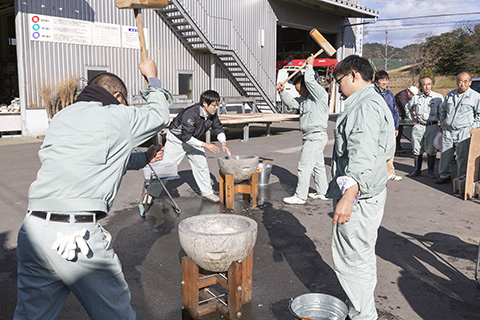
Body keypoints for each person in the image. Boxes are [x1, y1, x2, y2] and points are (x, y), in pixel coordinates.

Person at [14, 58, 172, 319]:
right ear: (117, 96)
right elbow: (158, 115)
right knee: (116, 315)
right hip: (74, 237)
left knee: (32, 315)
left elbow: (100, 158)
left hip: (33, 232)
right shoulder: (116, 114)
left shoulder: (62, 117)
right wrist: (152, 78)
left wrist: (144, 157)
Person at [328, 55, 395, 320]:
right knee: (362, 255)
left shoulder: (363, 106)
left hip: (359, 195)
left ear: (353, 75)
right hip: (372, 191)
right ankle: (362, 308)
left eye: (339, 80)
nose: (338, 87)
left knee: (352, 259)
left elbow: (362, 153)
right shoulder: (374, 100)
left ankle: (362, 315)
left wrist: (348, 196)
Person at [275, 54, 330, 205]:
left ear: (307, 86)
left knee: (304, 166)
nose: (300, 93)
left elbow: (310, 81)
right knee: (317, 166)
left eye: (301, 90)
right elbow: (292, 104)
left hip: (315, 136)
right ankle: (323, 192)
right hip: (310, 136)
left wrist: (309, 66)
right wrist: (282, 92)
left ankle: (300, 195)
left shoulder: (319, 95)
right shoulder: (304, 100)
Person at [163, 90, 231, 203]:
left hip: (192, 139)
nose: (216, 108)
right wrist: (205, 145)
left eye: (217, 105)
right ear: (205, 104)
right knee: (166, 168)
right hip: (177, 140)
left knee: (201, 165)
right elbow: (185, 137)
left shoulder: (212, 114)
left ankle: (207, 193)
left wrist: (223, 143)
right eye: (214, 105)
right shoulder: (191, 114)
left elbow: (217, 127)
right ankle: (150, 193)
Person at [436, 71, 480, 184]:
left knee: (462, 157)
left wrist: (472, 127)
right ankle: (444, 175)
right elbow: (443, 109)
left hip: (463, 131)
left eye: (465, 81)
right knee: (445, 155)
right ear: (457, 82)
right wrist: (443, 123)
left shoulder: (476, 97)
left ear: (470, 83)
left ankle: (461, 179)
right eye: (460, 81)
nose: (462, 84)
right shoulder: (450, 94)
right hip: (448, 131)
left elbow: (479, 115)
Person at [405, 76, 443, 178]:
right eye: (424, 84)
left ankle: (431, 171)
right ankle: (417, 170)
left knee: (431, 150)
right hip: (419, 126)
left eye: (429, 84)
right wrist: (412, 118)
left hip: (432, 126)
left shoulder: (438, 98)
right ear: (421, 86)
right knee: (417, 149)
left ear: (432, 85)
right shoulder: (416, 97)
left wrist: (442, 125)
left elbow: (442, 112)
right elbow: (407, 107)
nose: (427, 87)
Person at [374, 70, 402, 181]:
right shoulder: (373, 93)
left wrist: (396, 127)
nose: (385, 82)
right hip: (377, 126)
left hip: (390, 127)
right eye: (382, 80)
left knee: (390, 149)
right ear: (376, 81)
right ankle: (377, 173)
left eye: (386, 80)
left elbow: (395, 111)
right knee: (377, 150)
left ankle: (390, 172)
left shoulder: (390, 94)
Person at [395, 85, 419, 152]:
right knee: (397, 131)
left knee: (400, 130)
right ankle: (396, 147)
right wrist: (413, 114)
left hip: (401, 114)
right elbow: (406, 108)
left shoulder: (406, 96)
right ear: (409, 93)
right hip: (396, 115)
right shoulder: (402, 96)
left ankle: (398, 146)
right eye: (413, 96)